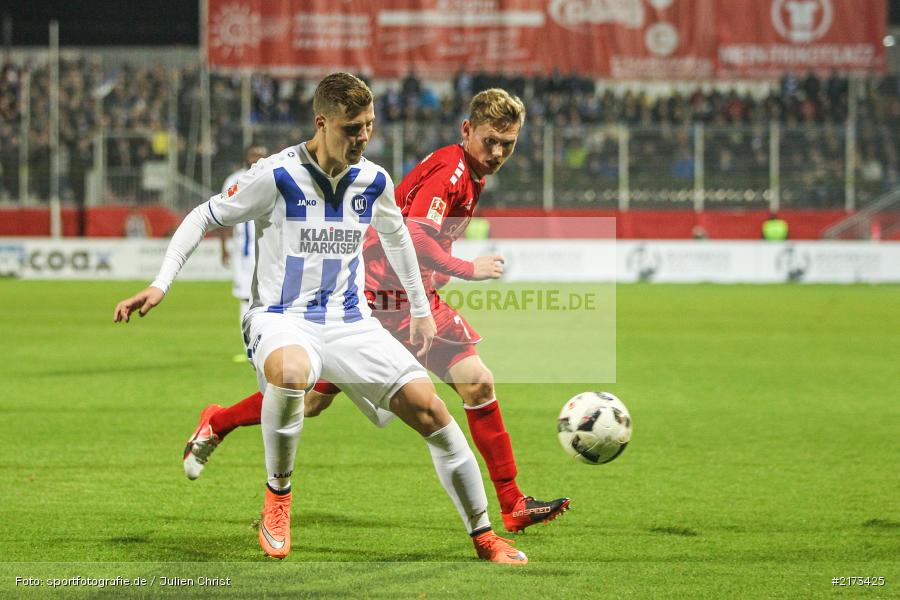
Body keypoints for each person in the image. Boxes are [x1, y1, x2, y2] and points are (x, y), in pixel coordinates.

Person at [114, 73, 526, 564]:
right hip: (280, 317)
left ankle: (485, 537)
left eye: (369, 126)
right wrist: (162, 283)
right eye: (352, 128)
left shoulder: (373, 180)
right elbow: (203, 215)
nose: (362, 138)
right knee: (291, 374)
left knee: (432, 410)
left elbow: (398, 240)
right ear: (322, 122)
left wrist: (420, 309)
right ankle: (278, 497)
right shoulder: (277, 174)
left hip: (351, 322)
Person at [182, 88, 570, 533]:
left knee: (477, 381)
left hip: (413, 297)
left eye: (509, 144)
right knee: (308, 400)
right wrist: (468, 268)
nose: (498, 152)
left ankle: (512, 502)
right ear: (467, 131)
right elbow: (417, 236)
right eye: (490, 141)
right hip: (373, 299)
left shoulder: (469, 174)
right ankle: (218, 422)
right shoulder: (450, 170)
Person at [220, 143, 268, 361]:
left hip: (269, 251)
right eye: (253, 154)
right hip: (245, 252)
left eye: (260, 154)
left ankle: (265, 343)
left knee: (268, 299)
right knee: (244, 298)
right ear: (246, 156)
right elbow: (224, 216)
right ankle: (248, 346)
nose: (256, 158)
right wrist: (224, 247)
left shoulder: (274, 176)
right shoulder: (234, 181)